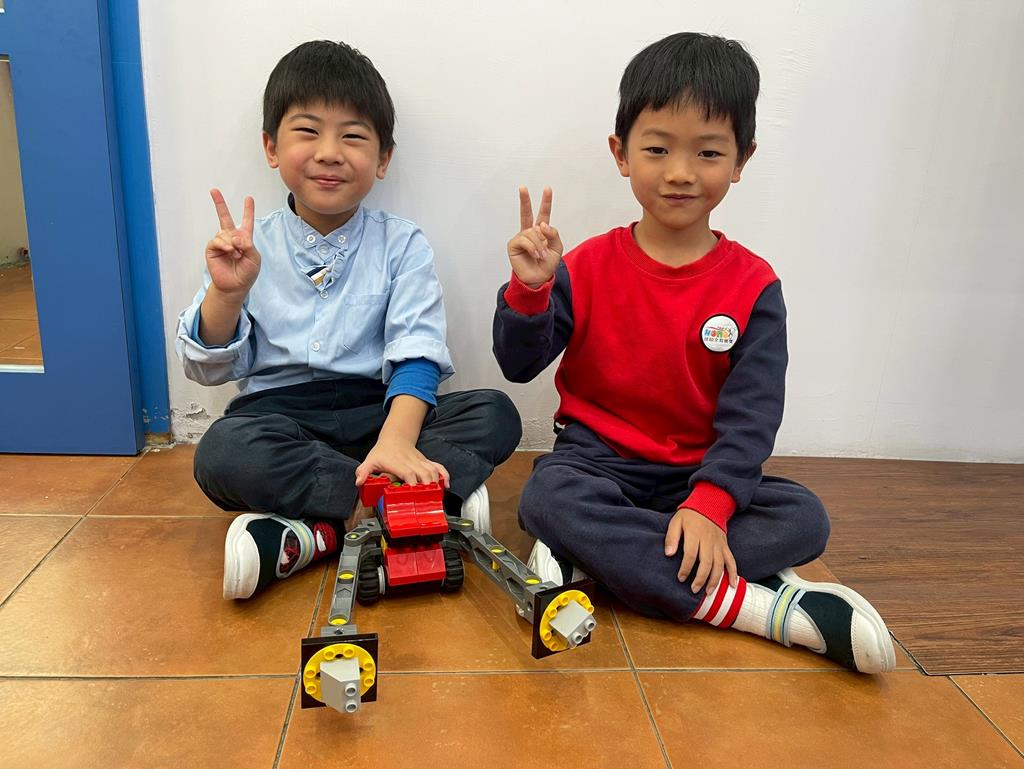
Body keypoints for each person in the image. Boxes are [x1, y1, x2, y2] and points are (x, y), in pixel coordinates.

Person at [492, 32, 895, 673]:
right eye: (657, 149)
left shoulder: (754, 285)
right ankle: (752, 605)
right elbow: (518, 366)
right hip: (597, 465)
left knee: (804, 517)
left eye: (708, 152)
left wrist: (710, 503)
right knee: (546, 498)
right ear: (621, 154)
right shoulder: (586, 265)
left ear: (741, 160)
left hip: (698, 474)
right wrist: (531, 291)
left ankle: (601, 562)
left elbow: (752, 419)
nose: (680, 172)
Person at [176, 40, 520, 600]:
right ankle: (410, 506)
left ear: (383, 159)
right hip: (283, 420)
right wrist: (226, 294)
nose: (330, 153)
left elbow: (416, 353)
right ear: (271, 147)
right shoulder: (247, 246)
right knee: (222, 452)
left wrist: (397, 440)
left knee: (493, 412)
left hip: (381, 414)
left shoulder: (401, 244)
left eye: (353, 137)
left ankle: (317, 530)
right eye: (308, 132)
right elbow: (207, 368)